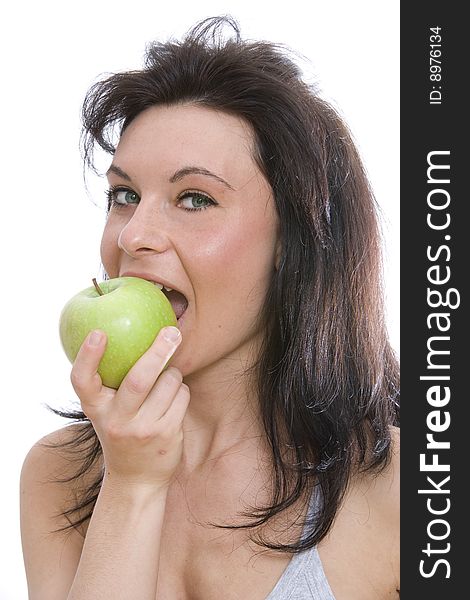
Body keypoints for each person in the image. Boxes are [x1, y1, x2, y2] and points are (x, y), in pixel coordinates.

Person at [20, 16, 400, 600]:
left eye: (193, 199)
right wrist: (131, 485)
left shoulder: (403, 488)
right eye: (124, 196)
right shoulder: (60, 476)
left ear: (291, 243)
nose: (133, 236)